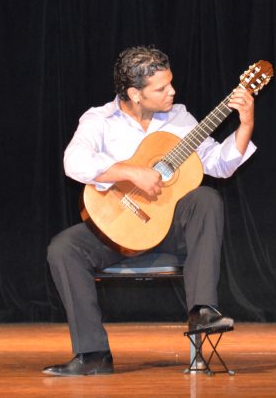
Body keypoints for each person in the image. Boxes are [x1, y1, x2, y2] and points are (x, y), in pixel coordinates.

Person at [43, 46, 257, 376]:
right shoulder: (99, 119)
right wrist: (130, 172)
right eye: (161, 88)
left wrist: (245, 125)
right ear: (134, 94)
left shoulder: (180, 119)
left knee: (206, 199)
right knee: (63, 248)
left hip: (171, 229)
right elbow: (74, 163)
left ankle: (202, 311)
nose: (172, 91)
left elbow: (219, 165)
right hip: (119, 229)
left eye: (171, 83)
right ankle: (93, 355)